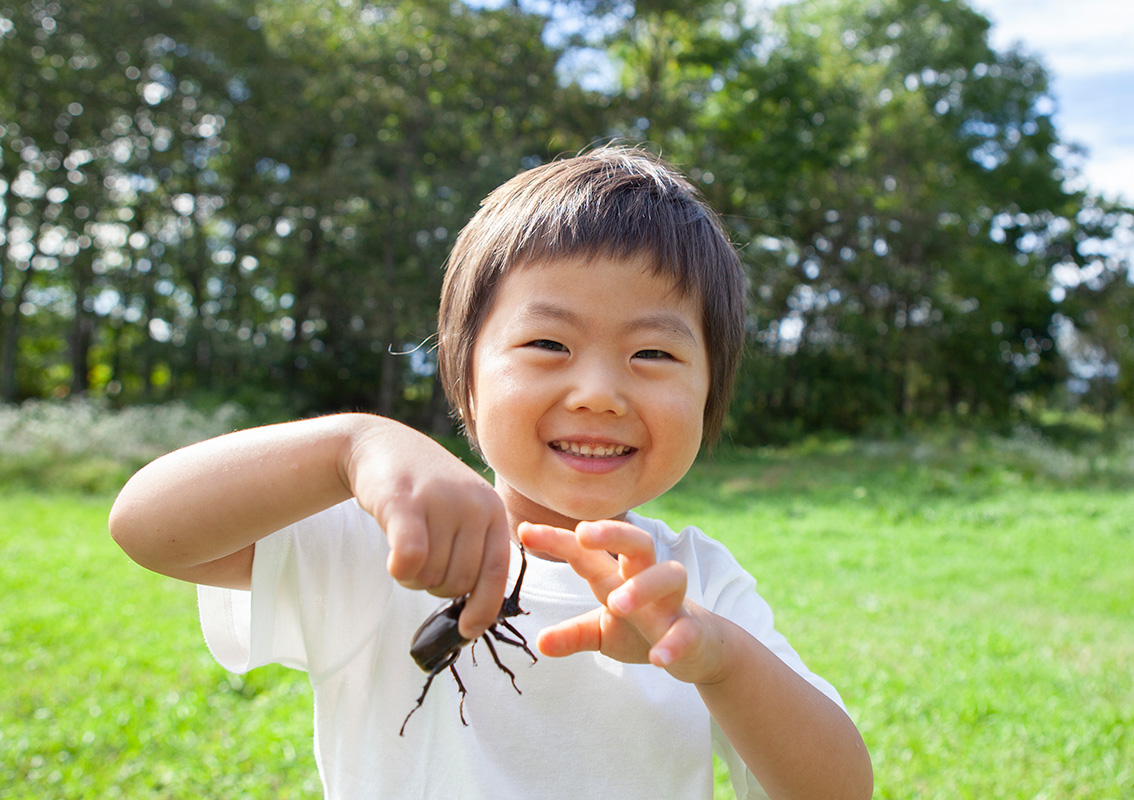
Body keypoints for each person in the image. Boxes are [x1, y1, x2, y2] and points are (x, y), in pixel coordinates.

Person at [110, 145, 872, 799]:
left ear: (711, 395)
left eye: (653, 354)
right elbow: (147, 528)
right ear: (463, 376)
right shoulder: (387, 546)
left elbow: (838, 788)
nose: (600, 394)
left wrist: (718, 656)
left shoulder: (698, 584)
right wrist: (351, 446)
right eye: (547, 345)